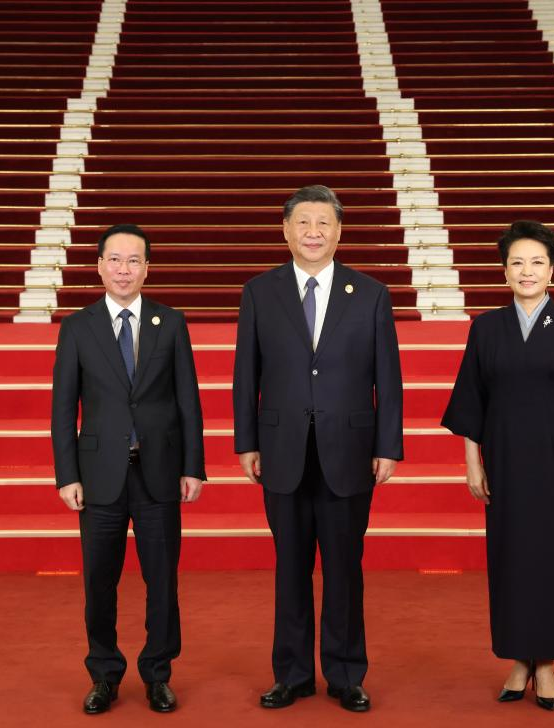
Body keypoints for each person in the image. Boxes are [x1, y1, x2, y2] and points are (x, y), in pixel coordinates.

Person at [441, 220, 554, 711]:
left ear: (552, 271)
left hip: (553, 459)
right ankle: (517, 659)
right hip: (501, 458)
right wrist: (472, 463)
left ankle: (545, 664)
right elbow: (471, 401)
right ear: (504, 271)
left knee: (550, 560)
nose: (527, 271)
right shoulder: (486, 327)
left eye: (537, 262)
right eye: (517, 262)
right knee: (508, 558)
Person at [233, 185, 404, 713]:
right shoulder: (260, 292)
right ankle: (292, 674)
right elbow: (246, 374)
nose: (313, 232)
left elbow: (388, 378)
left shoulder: (370, 293)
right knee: (290, 569)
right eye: (303, 222)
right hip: (280, 449)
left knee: (344, 569)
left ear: (338, 231)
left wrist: (388, 445)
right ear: (285, 230)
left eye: (323, 223)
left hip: (349, 450)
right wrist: (246, 441)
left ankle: (346, 674)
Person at [51, 223, 205, 715]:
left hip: (159, 473)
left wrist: (193, 466)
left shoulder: (171, 323)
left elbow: (188, 400)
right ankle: (104, 673)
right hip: (99, 476)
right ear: (99, 266)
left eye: (134, 260)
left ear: (147, 269)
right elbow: (63, 408)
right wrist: (67, 475)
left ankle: (158, 673)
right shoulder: (78, 327)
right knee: (100, 582)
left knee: (162, 582)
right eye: (115, 260)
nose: (124, 269)